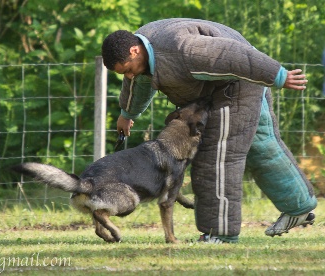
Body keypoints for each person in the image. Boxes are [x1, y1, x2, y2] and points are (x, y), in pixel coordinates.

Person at [101, 18, 317, 243]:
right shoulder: (141, 53)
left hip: (236, 85)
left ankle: (220, 233)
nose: (128, 76)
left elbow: (233, 55)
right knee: (261, 145)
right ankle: (299, 208)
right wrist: (127, 114)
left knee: (216, 155)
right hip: (231, 83)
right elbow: (139, 82)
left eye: (127, 70)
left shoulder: (182, 48)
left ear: (135, 50)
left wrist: (278, 75)